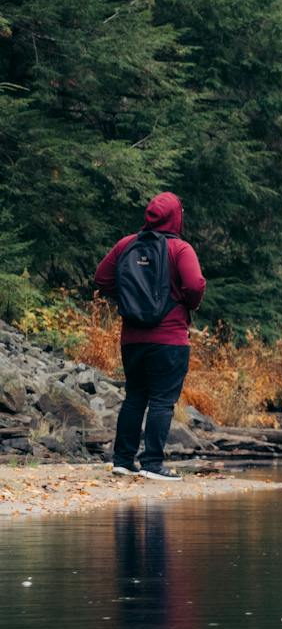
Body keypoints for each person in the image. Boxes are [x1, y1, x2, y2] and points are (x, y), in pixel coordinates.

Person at [94, 192, 206, 480]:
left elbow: (102, 280)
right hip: (169, 338)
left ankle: (122, 460)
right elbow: (194, 285)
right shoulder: (180, 249)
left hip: (132, 339)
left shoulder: (126, 244)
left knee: (134, 397)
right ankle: (153, 464)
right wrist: (186, 302)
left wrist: (130, 300)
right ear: (176, 217)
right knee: (161, 400)